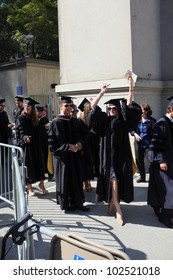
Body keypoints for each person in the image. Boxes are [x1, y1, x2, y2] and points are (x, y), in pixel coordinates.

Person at [87, 76, 141, 225]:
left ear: (118, 109)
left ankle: (113, 202)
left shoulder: (123, 123)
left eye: (114, 108)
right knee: (114, 183)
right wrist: (101, 93)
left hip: (120, 158)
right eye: (109, 108)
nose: (111, 110)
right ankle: (118, 208)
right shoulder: (104, 121)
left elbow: (130, 106)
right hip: (107, 158)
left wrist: (131, 87)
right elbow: (93, 109)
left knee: (117, 183)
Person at [48, 96, 90, 212]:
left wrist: (80, 144)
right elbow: (52, 145)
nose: (69, 108)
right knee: (65, 180)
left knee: (77, 179)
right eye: (66, 105)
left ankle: (79, 203)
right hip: (63, 158)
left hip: (75, 156)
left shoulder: (75, 121)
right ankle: (66, 205)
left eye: (71, 105)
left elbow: (84, 135)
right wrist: (68, 147)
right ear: (61, 106)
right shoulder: (55, 123)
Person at [147, 96, 173, 228]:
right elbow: (156, 145)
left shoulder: (170, 122)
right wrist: (161, 160)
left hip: (170, 160)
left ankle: (159, 209)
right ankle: (165, 216)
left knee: (163, 188)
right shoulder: (162, 123)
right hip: (163, 162)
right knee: (169, 190)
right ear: (171, 109)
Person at [15, 97, 48, 196]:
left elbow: (37, 130)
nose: (26, 107)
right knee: (29, 166)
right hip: (28, 146)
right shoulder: (21, 118)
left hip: (37, 145)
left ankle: (42, 185)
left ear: (32, 107)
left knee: (40, 164)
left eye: (28, 106)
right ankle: (30, 188)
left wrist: (45, 127)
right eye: (25, 105)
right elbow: (21, 131)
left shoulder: (35, 118)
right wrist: (25, 138)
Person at [131, 103, 156, 182]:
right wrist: (135, 135)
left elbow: (154, 133)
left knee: (151, 162)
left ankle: (153, 178)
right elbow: (131, 129)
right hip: (139, 144)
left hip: (148, 144)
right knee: (139, 161)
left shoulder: (152, 121)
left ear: (146, 111)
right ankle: (142, 177)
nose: (141, 111)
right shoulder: (136, 120)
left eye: (142, 110)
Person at [78, 98, 95, 192]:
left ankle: (89, 181)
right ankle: (85, 182)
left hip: (91, 145)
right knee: (84, 165)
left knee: (90, 164)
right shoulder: (80, 121)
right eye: (89, 109)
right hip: (84, 146)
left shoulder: (91, 119)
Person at [36, 104, 53, 181]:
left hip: (44, 141)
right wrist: (43, 127)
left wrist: (47, 128)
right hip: (37, 141)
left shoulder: (45, 119)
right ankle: (41, 173)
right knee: (40, 157)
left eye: (41, 112)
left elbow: (47, 129)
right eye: (39, 112)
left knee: (46, 156)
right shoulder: (34, 119)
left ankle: (49, 172)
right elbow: (37, 128)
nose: (40, 114)